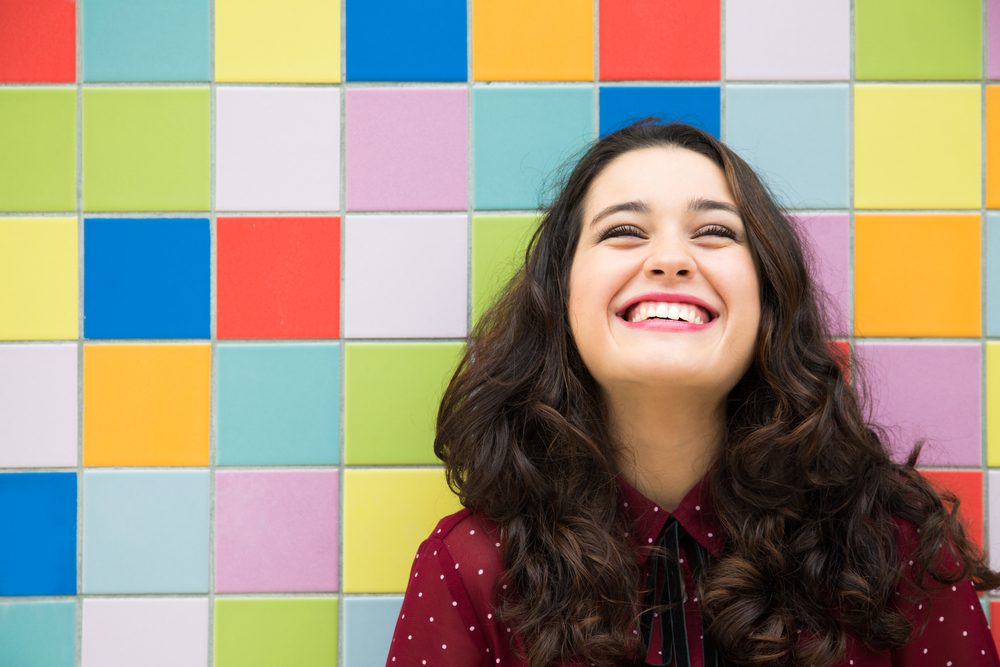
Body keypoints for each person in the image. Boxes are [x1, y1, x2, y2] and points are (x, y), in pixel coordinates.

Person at [385, 120, 1000, 666]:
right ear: (561, 297)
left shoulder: (894, 545)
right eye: (624, 230)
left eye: (713, 232)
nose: (672, 258)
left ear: (768, 300)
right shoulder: (467, 563)